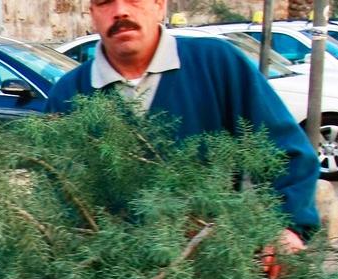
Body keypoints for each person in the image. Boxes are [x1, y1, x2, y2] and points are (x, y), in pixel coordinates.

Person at [47, 0, 320, 248]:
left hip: (212, 270)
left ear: (159, 5)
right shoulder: (70, 93)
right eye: (104, 2)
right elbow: (59, 189)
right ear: (92, 15)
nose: (120, 11)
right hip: (112, 278)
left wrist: (287, 225)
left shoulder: (217, 64)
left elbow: (283, 150)